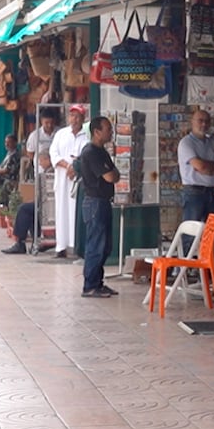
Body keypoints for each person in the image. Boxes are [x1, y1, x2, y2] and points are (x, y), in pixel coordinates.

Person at [78, 116, 120, 298]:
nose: (111, 132)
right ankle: (90, 285)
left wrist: (113, 174)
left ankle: (98, 282)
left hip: (104, 201)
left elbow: (115, 173)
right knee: (96, 244)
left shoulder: (102, 152)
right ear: (96, 132)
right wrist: (112, 174)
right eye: (107, 129)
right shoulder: (90, 152)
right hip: (94, 202)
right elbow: (110, 176)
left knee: (105, 246)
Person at [49, 104, 88, 258]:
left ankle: (77, 245)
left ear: (83, 119)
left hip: (78, 180)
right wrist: (67, 166)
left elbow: (86, 156)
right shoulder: (61, 134)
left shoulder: (87, 135)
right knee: (62, 211)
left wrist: (75, 167)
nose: (75, 119)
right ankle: (61, 246)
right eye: (72, 116)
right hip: (63, 178)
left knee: (76, 211)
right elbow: (54, 153)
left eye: (78, 116)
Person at [177, 108, 214, 222]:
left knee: (211, 230)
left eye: (207, 121)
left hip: (212, 191)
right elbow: (201, 167)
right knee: (192, 230)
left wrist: (211, 167)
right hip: (194, 192)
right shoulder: (186, 143)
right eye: (200, 120)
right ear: (192, 122)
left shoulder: (211, 142)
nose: (204, 124)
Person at [25, 109, 59, 176]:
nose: (49, 125)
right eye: (46, 123)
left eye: (51, 122)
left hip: (57, 171)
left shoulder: (60, 133)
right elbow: (30, 153)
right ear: (41, 121)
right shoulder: (34, 135)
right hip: (40, 172)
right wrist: (42, 160)